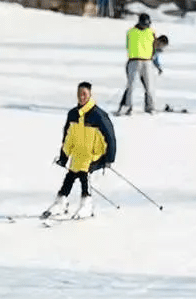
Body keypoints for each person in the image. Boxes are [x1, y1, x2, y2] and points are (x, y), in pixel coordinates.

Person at [42, 82, 116, 220]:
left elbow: (110, 137)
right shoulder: (73, 114)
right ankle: (61, 202)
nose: (81, 97)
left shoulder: (98, 115)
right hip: (78, 154)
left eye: (84, 94)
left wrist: (109, 158)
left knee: (84, 176)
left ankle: (86, 204)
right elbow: (67, 137)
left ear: (90, 95)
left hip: (93, 155)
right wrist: (63, 157)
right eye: (79, 94)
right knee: (70, 177)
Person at [116, 13, 157, 116]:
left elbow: (154, 47)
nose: (146, 26)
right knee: (131, 86)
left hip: (147, 61)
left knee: (149, 86)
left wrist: (155, 61)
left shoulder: (151, 32)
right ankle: (128, 106)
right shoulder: (131, 32)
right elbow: (128, 45)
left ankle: (150, 107)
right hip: (134, 60)